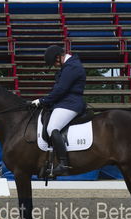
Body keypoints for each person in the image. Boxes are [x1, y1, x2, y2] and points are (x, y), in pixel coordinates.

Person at [31, 45, 86, 175]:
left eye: (54, 63)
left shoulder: (72, 67)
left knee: (52, 128)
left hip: (70, 103)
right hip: (64, 102)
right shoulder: (68, 66)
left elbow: (61, 90)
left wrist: (42, 101)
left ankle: (63, 164)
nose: (55, 66)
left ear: (58, 57)